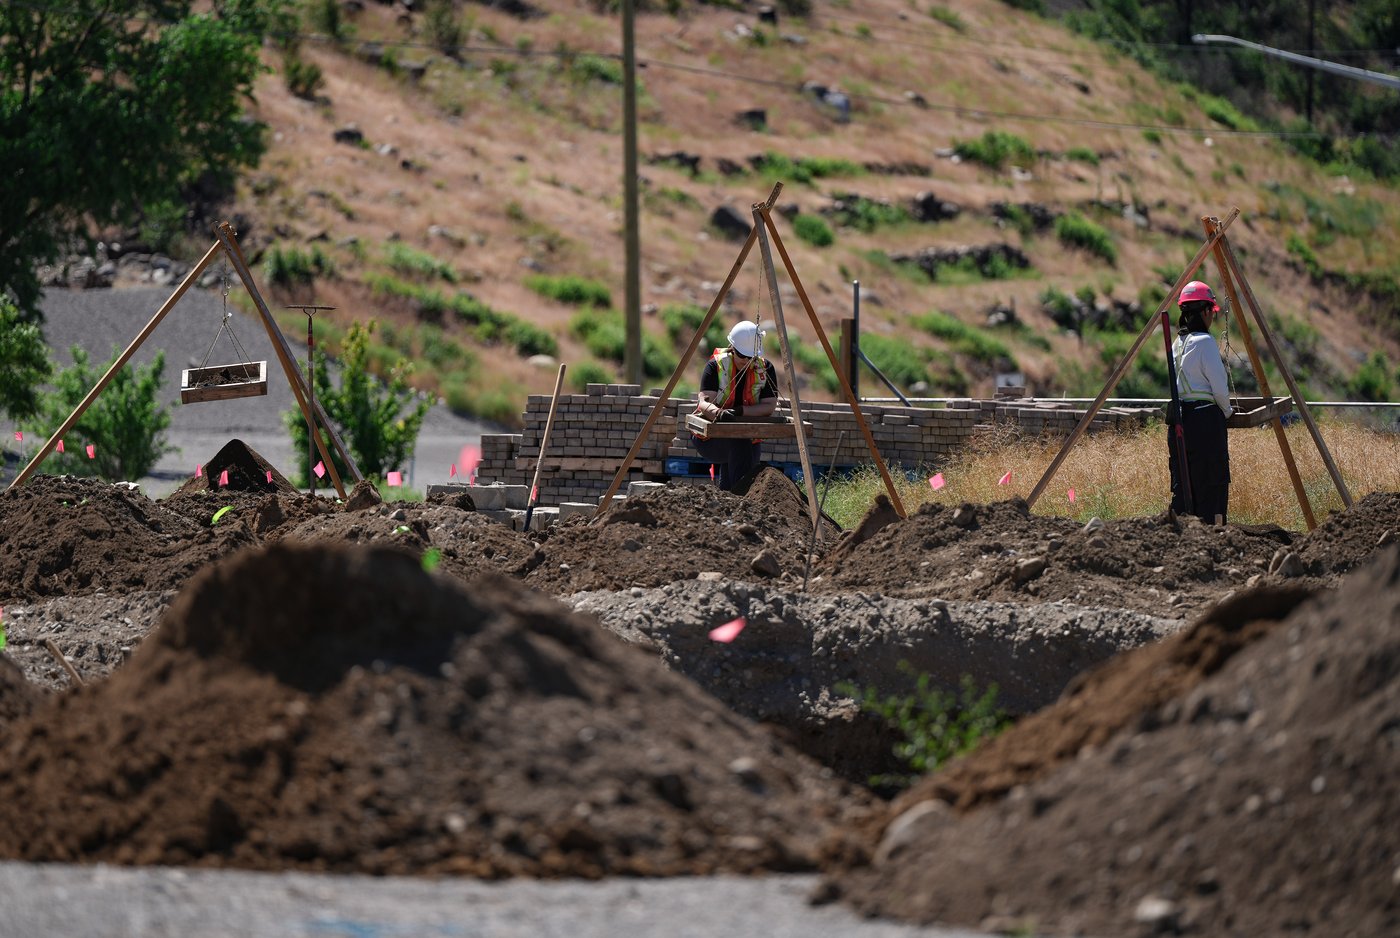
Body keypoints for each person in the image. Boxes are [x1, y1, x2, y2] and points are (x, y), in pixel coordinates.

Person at [1169, 280, 1233, 523]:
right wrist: (1226, 411)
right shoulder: (1204, 342)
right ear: (1206, 311)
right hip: (1205, 421)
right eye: (1212, 313)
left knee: (1185, 486)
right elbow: (1218, 386)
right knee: (1211, 484)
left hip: (1179, 420)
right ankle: (1213, 536)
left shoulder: (1176, 344)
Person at [691, 320, 778, 491]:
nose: (746, 361)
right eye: (741, 355)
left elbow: (769, 406)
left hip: (747, 438)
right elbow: (704, 402)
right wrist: (719, 413)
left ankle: (730, 504)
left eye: (750, 357)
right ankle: (740, 502)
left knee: (744, 453)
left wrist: (739, 411)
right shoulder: (715, 366)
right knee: (740, 446)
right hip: (712, 439)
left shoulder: (765, 368)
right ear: (732, 348)